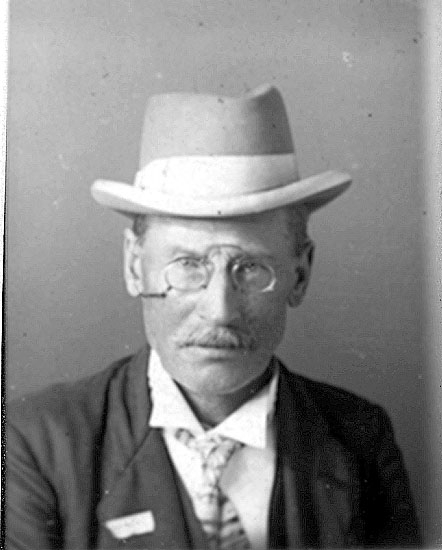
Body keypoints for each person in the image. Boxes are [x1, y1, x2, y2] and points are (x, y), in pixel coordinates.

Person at [6, 84, 420, 549]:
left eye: (251, 269)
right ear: (134, 266)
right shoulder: (36, 442)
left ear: (300, 275)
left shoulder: (361, 441)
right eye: (188, 265)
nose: (219, 311)